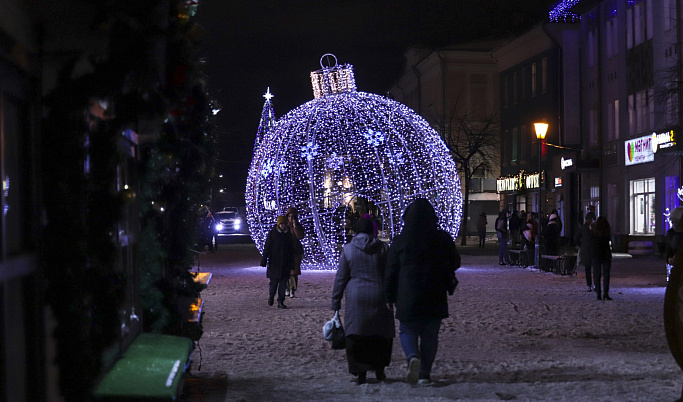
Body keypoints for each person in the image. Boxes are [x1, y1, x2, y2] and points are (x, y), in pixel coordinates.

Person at [385, 199, 461, 385]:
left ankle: (412, 357)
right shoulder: (441, 238)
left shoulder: (401, 240)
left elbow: (391, 271)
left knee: (407, 330)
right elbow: (455, 262)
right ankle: (425, 373)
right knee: (430, 336)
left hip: (407, 295)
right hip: (434, 294)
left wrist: (388, 295)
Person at [331, 217, 394, 385]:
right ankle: (379, 369)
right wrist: (392, 296)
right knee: (380, 335)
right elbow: (389, 275)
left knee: (356, 335)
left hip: (356, 296)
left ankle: (360, 371)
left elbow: (341, 277)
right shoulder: (383, 248)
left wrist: (335, 301)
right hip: (378, 294)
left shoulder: (348, 250)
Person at [260, 215, 302, 309]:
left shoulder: (288, 235)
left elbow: (291, 250)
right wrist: (264, 260)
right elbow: (267, 247)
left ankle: (280, 301)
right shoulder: (272, 234)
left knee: (283, 284)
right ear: (278, 224)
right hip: (274, 263)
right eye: (281, 224)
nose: (283, 226)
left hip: (285, 264)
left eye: (284, 224)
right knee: (273, 283)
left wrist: (292, 264)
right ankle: (271, 296)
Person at [285, 207, 305, 298]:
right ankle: (287, 288)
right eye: (289, 216)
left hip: (295, 251)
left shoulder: (298, 226)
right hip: (286, 251)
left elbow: (300, 236)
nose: (291, 218)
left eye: (292, 216)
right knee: (286, 271)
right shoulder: (284, 226)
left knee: (294, 272)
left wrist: (295, 226)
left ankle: (293, 289)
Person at [592, 216, 613, 301]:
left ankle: (598, 293)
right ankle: (606, 293)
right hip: (606, 254)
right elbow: (609, 241)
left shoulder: (594, 231)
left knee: (597, 274)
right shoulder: (607, 231)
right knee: (606, 274)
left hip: (596, 254)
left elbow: (591, 242)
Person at [575, 212, 595, 291]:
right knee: (593, 268)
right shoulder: (591, 228)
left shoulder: (582, 228)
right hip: (591, 250)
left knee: (588, 268)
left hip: (586, 250)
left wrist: (580, 246)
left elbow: (576, 238)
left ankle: (589, 285)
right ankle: (593, 284)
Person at [666, 207, 683, 281]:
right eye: (672, 222)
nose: (674, 225)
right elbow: (668, 249)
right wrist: (669, 258)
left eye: (676, 222)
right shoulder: (671, 233)